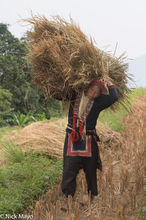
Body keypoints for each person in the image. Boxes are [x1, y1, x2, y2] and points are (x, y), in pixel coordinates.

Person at [61, 78, 118, 209]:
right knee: (69, 169)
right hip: (72, 138)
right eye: (92, 90)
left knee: (90, 169)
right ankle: (68, 199)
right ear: (86, 88)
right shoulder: (74, 95)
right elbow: (59, 93)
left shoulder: (98, 103)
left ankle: (92, 197)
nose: (93, 94)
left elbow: (114, 97)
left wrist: (108, 81)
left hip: (88, 138)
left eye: (97, 92)